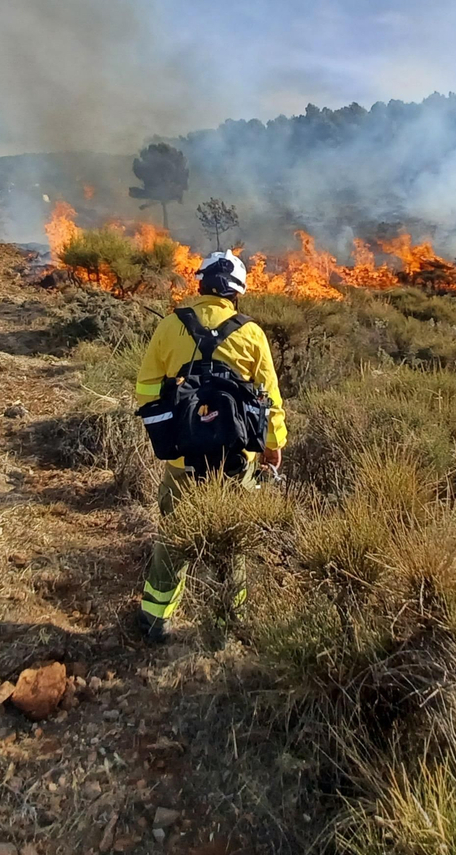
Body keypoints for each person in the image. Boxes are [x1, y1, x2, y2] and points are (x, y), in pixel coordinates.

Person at [133, 251, 286, 644]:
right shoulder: (252, 333)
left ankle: (154, 619)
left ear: (199, 284)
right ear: (238, 292)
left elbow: (146, 388)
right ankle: (229, 620)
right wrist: (272, 447)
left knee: (173, 535)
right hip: (236, 462)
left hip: (183, 459)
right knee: (234, 541)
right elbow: (269, 401)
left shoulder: (170, 326)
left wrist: (167, 433)